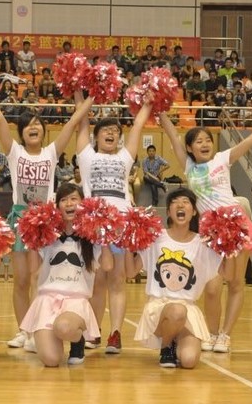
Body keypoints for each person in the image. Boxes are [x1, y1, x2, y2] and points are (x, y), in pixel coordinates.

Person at [0, 88, 94, 351]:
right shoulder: (15, 152)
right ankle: (24, 331)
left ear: (44, 130)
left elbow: (72, 122)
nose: (33, 127)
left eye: (37, 124)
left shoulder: (51, 152)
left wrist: (90, 98)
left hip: (46, 221)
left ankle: (39, 328)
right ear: (21, 133)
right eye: (28, 125)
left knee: (37, 279)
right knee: (21, 279)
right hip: (22, 219)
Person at [158, 112, 252, 353]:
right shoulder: (188, 166)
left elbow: (251, 140)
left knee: (236, 283)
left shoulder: (223, 159)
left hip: (235, 225)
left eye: (207, 140)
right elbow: (172, 135)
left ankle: (225, 335)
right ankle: (212, 333)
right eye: (198, 141)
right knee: (212, 288)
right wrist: (160, 111)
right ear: (190, 148)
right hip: (210, 230)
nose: (205, 144)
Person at [76, 89, 153, 354]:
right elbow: (81, 120)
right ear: (96, 136)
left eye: (115, 131)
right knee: (96, 281)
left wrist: (147, 104)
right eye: (106, 130)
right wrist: (79, 92)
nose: (111, 133)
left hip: (120, 225)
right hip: (93, 227)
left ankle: (115, 334)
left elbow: (137, 127)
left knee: (118, 280)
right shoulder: (87, 156)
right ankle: (94, 331)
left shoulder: (124, 158)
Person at [126, 188, 234, 368]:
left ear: (194, 212)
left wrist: (229, 244)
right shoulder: (156, 238)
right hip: (160, 308)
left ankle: (176, 340)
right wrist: (129, 244)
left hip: (188, 310)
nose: (180, 205)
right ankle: (166, 346)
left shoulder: (203, 243)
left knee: (189, 361)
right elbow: (130, 272)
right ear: (168, 212)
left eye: (186, 202)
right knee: (177, 311)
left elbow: (228, 275)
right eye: (175, 202)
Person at [20, 183, 114, 366]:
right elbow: (33, 268)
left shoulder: (91, 236)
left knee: (63, 327)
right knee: (51, 360)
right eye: (63, 200)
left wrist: (103, 235)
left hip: (75, 301)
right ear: (57, 207)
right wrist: (32, 236)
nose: (69, 203)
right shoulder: (48, 232)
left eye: (74, 199)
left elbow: (108, 266)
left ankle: (77, 339)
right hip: (46, 300)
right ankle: (58, 338)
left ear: (83, 204)